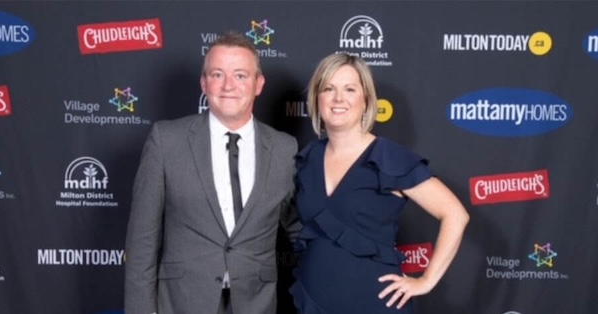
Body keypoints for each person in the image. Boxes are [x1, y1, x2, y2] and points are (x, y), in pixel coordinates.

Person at [124, 31, 301, 314]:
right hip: (183, 303)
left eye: (241, 75)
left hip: (256, 304)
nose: (229, 85)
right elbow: (142, 240)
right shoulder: (166, 140)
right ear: (204, 83)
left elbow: (300, 230)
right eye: (218, 74)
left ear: (259, 84)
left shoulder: (284, 148)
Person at [289, 53, 470, 313]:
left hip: (374, 303)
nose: (338, 98)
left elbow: (455, 214)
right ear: (317, 99)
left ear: (366, 100)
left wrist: (427, 281)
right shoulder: (309, 158)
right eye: (329, 88)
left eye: (349, 89)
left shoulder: (387, 157)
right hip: (314, 301)